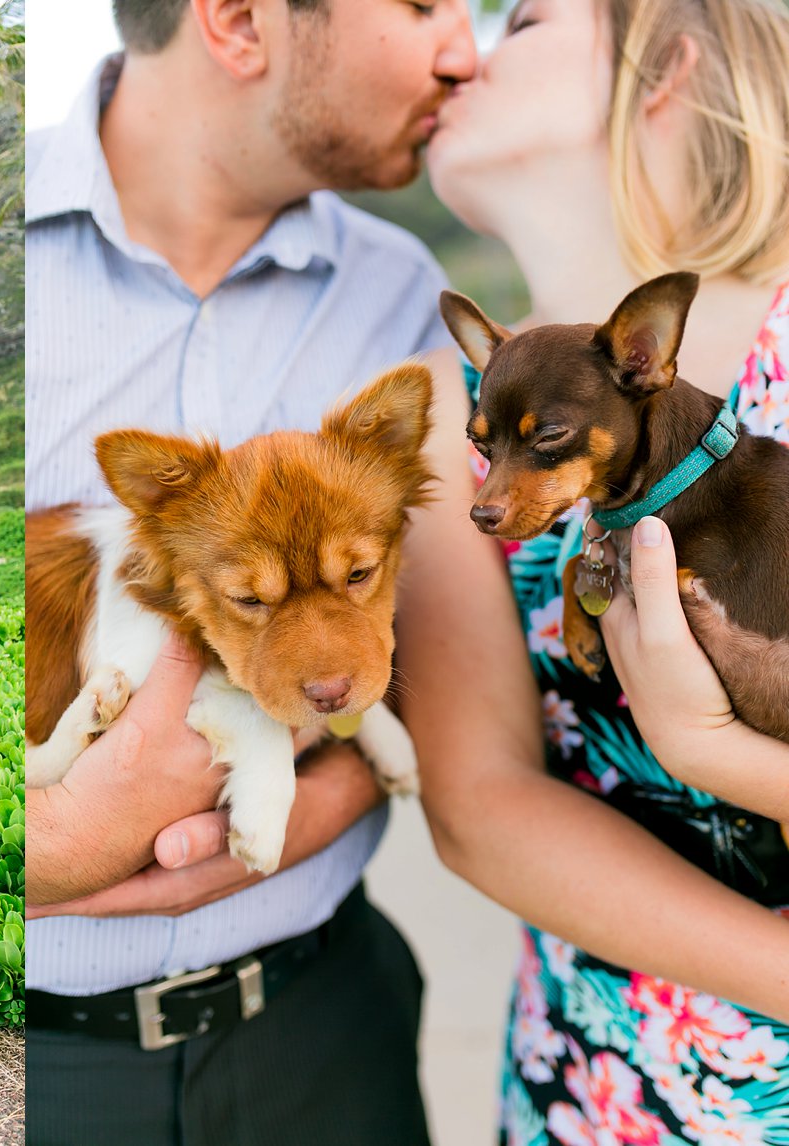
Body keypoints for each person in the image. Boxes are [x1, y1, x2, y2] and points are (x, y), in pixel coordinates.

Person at [22, 0, 476, 1140]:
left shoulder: (406, 296)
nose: (465, 49)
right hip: (24, 1067)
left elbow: (455, 665)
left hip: (326, 1028)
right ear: (234, 21)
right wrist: (50, 852)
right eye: (424, 3)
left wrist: (336, 787)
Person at [391, 0, 789, 1135]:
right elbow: (481, 804)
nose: (459, 49)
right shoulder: (445, 420)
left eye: (519, 21)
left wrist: (712, 751)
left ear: (667, 61)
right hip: (599, 1090)